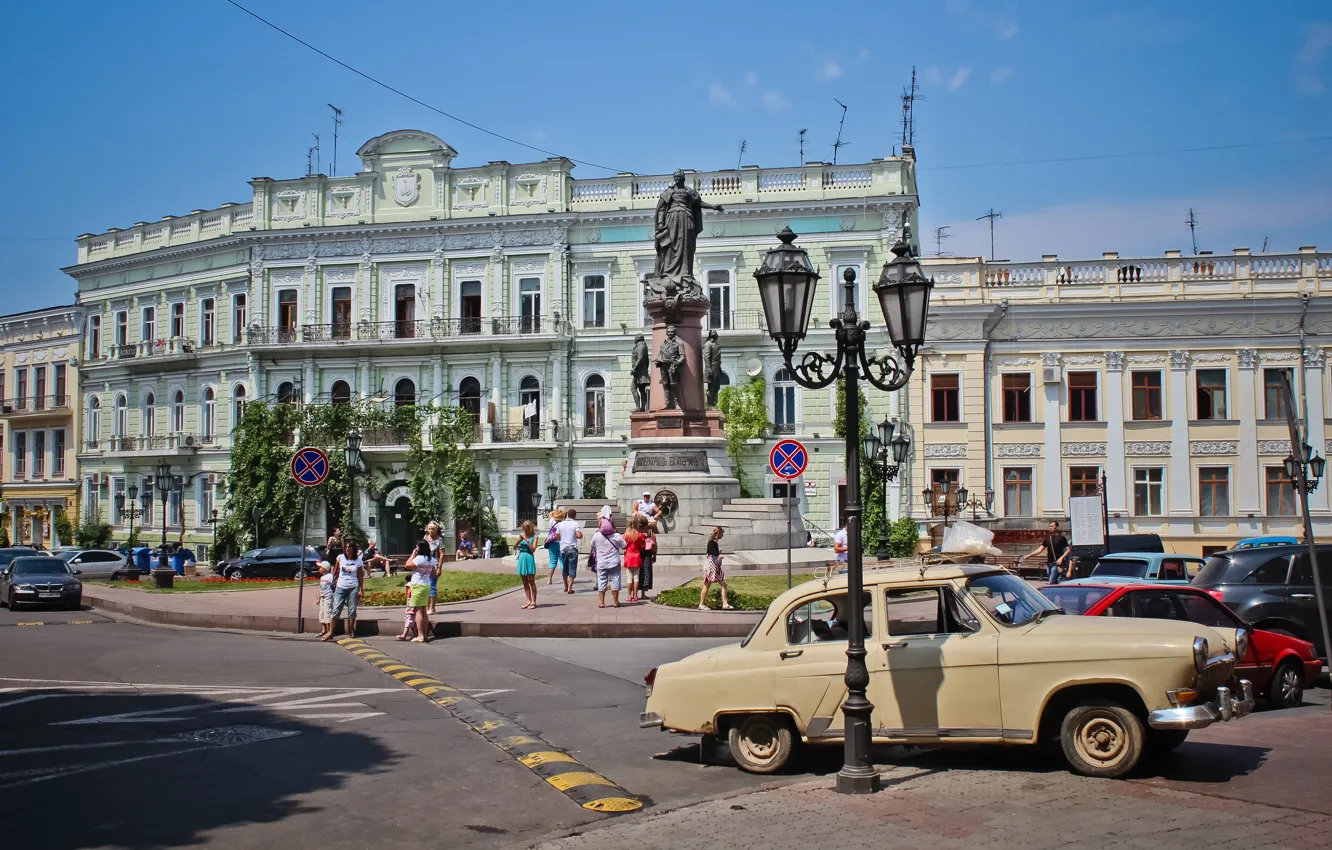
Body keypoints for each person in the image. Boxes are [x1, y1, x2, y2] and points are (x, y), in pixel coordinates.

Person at [326, 539, 365, 641]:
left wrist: (361, 589)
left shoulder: (358, 561)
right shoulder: (340, 557)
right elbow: (335, 571)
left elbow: (360, 575)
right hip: (341, 586)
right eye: (346, 547)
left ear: (354, 549)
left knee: (352, 610)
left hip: (353, 586)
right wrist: (332, 582)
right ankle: (331, 632)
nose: (347, 549)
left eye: (350, 547)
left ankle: (351, 630)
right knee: (336, 610)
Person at [590, 515, 626, 608]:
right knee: (615, 580)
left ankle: (601, 602)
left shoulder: (596, 535)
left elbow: (592, 545)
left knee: (601, 581)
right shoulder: (616, 535)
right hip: (614, 561)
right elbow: (624, 546)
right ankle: (615, 602)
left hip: (601, 562)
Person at [401, 540, 434, 643]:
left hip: (417, 585)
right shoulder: (432, 559)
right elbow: (433, 574)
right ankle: (425, 635)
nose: (416, 548)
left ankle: (420, 635)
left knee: (418, 611)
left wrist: (413, 554)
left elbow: (407, 565)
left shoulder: (419, 558)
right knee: (424, 610)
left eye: (417, 547)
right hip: (427, 585)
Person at [1021, 521, 1071, 585]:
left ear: (1057, 527)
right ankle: (1055, 593)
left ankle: (1051, 592)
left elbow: (1068, 550)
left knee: (1051, 581)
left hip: (1057, 564)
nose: (1050, 528)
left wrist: (1061, 558)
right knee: (1053, 580)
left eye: (1052, 526)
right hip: (1049, 563)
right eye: (1049, 526)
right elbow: (1040, 549)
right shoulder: (1047, 538)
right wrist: (1030, 555)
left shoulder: (1061, 538)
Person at [700, 527, 732, 610]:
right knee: (708, 584)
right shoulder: (711, 542)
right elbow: (710, 551)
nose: (722, 535)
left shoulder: (714, 542)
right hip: (712, 566)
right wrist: (718, 555)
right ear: (718, 533)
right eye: (722, 534)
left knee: (722, 584)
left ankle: (725, 604)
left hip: (715, 566)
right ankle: (702, 604)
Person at [555, 508, 584, 594]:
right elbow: (579, 535)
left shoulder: (560, 524)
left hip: (563, 548)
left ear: (567, 514)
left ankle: (565, 586)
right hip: (572, 547)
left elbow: (557, 536)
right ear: (575, 516)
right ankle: (570, 588)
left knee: (565, 567)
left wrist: (563, 538)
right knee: (572, 567)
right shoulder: (575, 524)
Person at [516, 520, 539, 610]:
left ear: (530, 528)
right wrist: (518, 541)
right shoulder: (522, 535)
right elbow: (515, 547)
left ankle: (534, 601)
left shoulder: (535, 536)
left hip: (529, 558)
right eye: (523, 529)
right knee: (524, 581)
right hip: (522, 557)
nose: (524, 531)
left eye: (526, 529)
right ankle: (528, 600)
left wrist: (527, 541)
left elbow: (533, 550)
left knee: (531, 581)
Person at [623, 516, 645, 603]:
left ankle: (629, 596)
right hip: (637, 556)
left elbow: (623, 545)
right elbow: (642, 546)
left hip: (628, 556)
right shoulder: (639, 534)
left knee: (629, 578)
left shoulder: (626, 535)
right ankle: (636, 595)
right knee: (636, 577)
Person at [425, 521, 444, 615]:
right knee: (426, 586)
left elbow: (442, 554)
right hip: (425, 564)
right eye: (429, 528)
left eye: (433, 529)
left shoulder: (439, 540)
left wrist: (439, 567)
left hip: (434, 564)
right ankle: (427, 606)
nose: (431, 530)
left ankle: (432, 608)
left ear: (436, 530)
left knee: (432, 585)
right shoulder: (425, 538)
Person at [545, 509, 565, 585]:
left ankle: (549, 580)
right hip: (561, 543)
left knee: (552, 562)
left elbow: (550, 514)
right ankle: (565, 579)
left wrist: (554, 512)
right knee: (562, 562)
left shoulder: (552, 521)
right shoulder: (563, 523)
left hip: (552, 543)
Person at [316, 561, 335, 640]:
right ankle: (324, 630)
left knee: (328, 614)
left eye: (320, 567)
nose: (319, 569)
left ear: (324, 569)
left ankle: (329, 631)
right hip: (323, 598)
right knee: (322, 614)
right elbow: (320, 589)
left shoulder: (330, 576)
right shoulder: (322, 578)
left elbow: (334, 586)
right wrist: (318, 598)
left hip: (328, 597)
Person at [640, 517, 657, 600]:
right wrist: (655, 555)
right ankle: (643, 593)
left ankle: (634, 593)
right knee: (646, 573)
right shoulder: (650, 531)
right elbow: (655, 544)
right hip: (647, 554)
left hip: (638, 554)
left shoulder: (636, 531)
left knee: (637, 573)